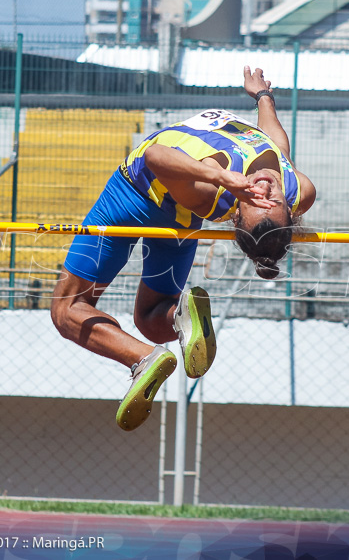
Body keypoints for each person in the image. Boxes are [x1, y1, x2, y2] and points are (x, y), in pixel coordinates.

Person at [50, 66, 317, 431]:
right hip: (178, 213)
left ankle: (142, 359)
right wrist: (262, 97)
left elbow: (156, 157)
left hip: (133, 195)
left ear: (238, 213)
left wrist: (222, 178)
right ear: (290, 208)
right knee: (153, 320)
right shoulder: (297, 187)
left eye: (258, 200)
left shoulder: (216, 190)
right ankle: (181, 316)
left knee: (67, 309)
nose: (265, 191)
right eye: (273, 199)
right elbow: (276, 141)